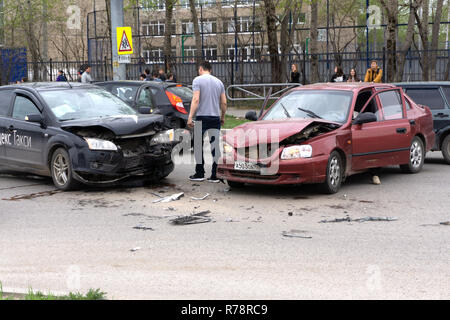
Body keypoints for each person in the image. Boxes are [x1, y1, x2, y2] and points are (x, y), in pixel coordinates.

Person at [187, 61, 227, 183]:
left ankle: (199, 173)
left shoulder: (197, 80)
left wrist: (190, 117)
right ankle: (215, 175)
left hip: (201, 117)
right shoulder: (219, 82)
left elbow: (195, 99)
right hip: (215, 118)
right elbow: (224, 102)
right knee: (215, 146)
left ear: (200, 69)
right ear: (210, 70)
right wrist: (222, 116)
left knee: (198, 145)